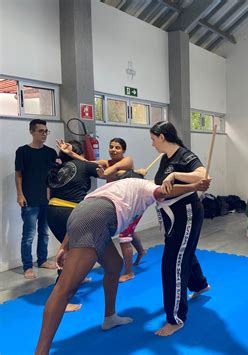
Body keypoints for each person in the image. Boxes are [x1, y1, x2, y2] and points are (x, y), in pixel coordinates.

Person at [34, 176, 211, 355]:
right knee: (65, 289)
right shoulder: (146, 186)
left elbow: (84, 212)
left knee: (114, 265)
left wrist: (65, 245)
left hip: (81, 214)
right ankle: (40, 352)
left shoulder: (116, 187)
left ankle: (110, 317)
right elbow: (162, 191)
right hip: (96, 220)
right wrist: (195, 185)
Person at [150, 121, 210, 336]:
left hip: (186, 212)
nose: (152, 144)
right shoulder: (164, 158)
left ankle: (175, 319)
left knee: (172, 262)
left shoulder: (184, 155)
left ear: (162, 137)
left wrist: (176, 175)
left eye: (153, 139)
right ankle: (200, 284)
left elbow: (202, 174)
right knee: (184, 251)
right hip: (171, 214)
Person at [57, 138, 146, 282]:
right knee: (129, 231)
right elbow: (88, 164)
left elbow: (111, 172)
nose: (114, 150)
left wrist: (105, 173)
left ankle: (129, 272)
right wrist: (72, 154)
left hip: (131, 203)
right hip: (117, 205)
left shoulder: (127, 161)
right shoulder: (105, 163)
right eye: (111, 147)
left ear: (123, 150)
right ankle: (141, 252)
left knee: (124, 237)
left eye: (117, 147)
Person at [47, 140, 100, 311]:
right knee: (70, 253)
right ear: (78, 153)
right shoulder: (82, 164)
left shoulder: (59, 168)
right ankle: (61, 300)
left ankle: (77, 278)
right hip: (69, 213)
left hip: (53, 211)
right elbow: (105, 171)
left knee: (71, 251)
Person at [15, 119, 58, 279]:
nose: (44, 134)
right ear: (32, 132)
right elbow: (18, 174)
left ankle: (42, 260)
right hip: (29, 199)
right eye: (41, 131)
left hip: (46, 199)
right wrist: (20, 194)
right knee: (28, 235)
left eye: (46, 131)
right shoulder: (22, 151)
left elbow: (55, 176)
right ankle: (27, 266)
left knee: (44, 233)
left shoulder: (51, 153)